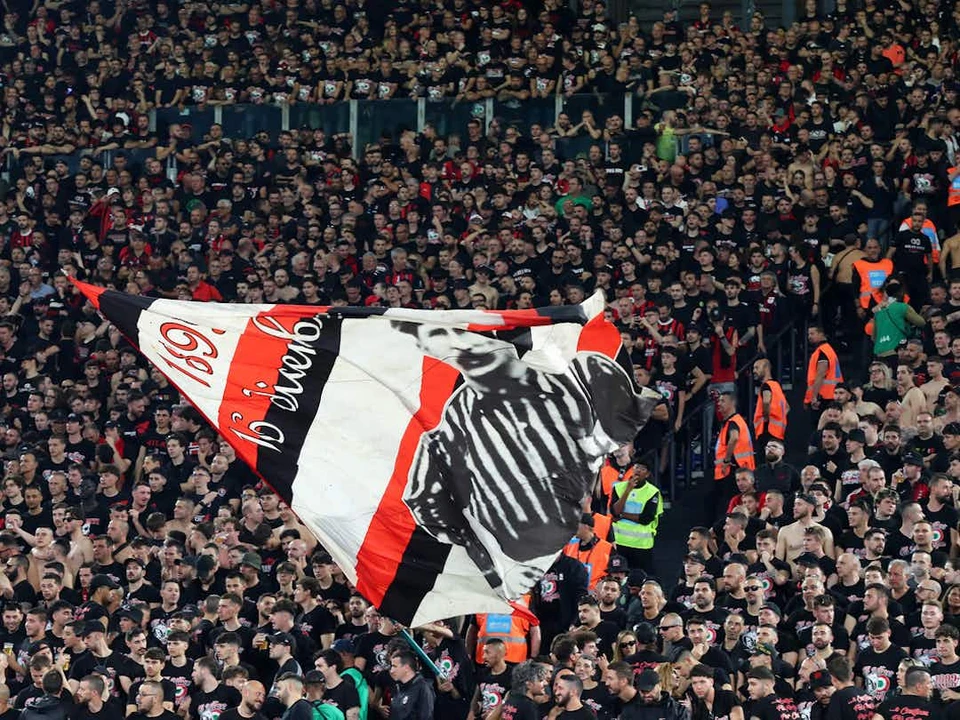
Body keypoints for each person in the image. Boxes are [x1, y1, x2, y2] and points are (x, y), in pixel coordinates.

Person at [394, 320, 661, 596]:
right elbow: (423, 496)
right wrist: (476, 539)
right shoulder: (461, 412)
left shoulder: (563, 397)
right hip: (505, 553)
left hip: (540, 547)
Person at [610, 456, 663, 572]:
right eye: (636, 467)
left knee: (642, 577)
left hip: (642, 545)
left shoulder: (652, 492)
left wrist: (622, 515)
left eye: (643, 469)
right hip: (619, 542)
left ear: (647, 474)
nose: (638, 470)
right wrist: (627, 490)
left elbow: (646, 518)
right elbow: (614, 511)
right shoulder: (618, 487)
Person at [388, 650, 434, 720]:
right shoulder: (397, 687)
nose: (391, 671)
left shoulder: (423, 688)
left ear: (406, 668)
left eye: (394, 666)